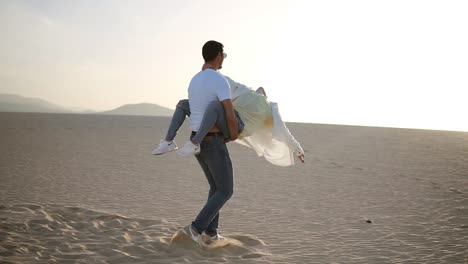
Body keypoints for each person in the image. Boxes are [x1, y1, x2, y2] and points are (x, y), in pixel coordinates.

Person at [152, 69, 305, 166]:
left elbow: (283, 130)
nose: (261, 90)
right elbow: (224, 80)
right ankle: (168, 141)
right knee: (184, 103)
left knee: (214, 105)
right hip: (227, 117)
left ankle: (195, 142)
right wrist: (213, 66)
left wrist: (297, 150)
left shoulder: (270, 108)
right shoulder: (245, 92)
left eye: (262, 91)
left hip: (237, 126)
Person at [175, 40, 243, 244]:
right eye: (224, 55)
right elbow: (229, 113)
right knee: (226, 190)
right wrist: (232, 134)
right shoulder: (218, 80)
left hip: (198, 142)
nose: (224, 58)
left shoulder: (194, 80)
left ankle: (211, 234)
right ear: (218, 55)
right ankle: (195, 229)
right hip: (213, 141)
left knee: (215, 187)